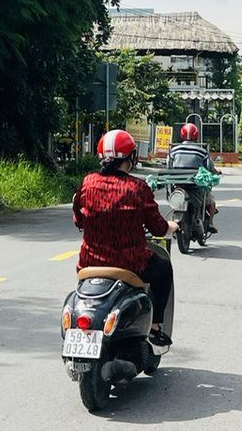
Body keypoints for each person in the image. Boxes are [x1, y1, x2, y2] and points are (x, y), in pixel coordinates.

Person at [73, 129, 177, 346]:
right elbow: (158, 229)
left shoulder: (88, 183)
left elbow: (79, 220)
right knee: (164, 269)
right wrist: (171, 226)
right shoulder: (137, 188)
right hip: (131, 263)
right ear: (131, 157)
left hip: (89, 263)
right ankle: (155, 327)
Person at [167, 123, 222, 233]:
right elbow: (209, 168)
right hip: (196, 187)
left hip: (178, 185)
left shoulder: (173, 150)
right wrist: (217, 172)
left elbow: (169, 166)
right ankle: (210, 223)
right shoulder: (202, 151)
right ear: (196, 136)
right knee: (211, 202)